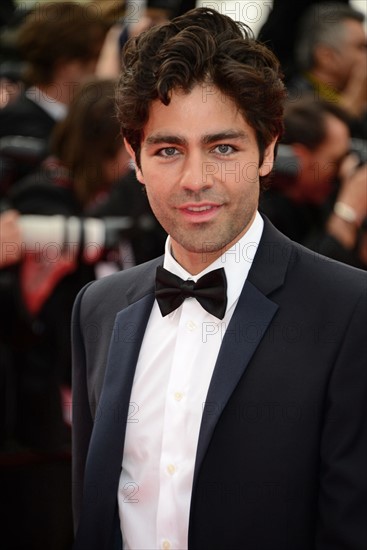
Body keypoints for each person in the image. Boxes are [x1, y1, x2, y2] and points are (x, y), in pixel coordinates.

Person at [71, 7, 367, 550]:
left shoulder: (351, 312)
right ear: (134, 157)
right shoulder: (97, 307)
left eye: (223, 147)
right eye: (168, 150)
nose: (195, 180)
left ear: (268, 149)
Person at [0, 1, 108, 190]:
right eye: (98, 57)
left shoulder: (67, 116)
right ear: (67, 65)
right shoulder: (18, 122)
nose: (102, 68)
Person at [260, 96, 367, 268]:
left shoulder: (320, 198)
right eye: (336, 161)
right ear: (300, 157)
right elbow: (307, 280)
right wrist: (348, 213)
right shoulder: (260, 214)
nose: (343, 169)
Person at [287, 2, 367, 139]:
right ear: (326, 56)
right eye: (360, 47)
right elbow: (324, 142)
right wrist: (357, 92)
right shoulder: (293, 98)